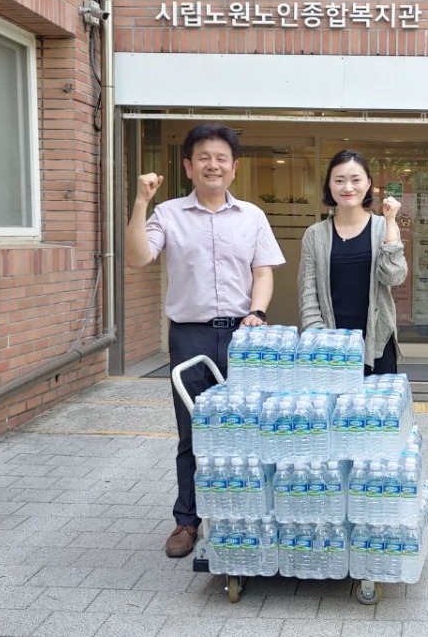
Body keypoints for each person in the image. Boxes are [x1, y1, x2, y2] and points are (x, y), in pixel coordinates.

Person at [125, 123, 285, 558]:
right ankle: (187, 522)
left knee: (251, 429)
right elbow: (139, 257)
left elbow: (263, 271)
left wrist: (258, 311)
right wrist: (141, 202)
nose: (213, 165)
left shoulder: (252, 215)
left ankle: (249, 512)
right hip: (190, 337)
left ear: (234, 167)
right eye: (203, 158)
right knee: (193, 433)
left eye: (221, 158)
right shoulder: (169, 214)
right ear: (188, 167)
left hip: (243, 335)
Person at [298, 149, 407, 375]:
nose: (348, 187)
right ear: (329, 185)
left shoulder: (382, 227)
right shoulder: (315, 234)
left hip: (377, 345)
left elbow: (394, 277)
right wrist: (319, 338)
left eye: (355, 180)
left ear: (368, 183)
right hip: (329, 345)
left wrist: (390, 222)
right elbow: (308, 292)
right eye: (339, 180)